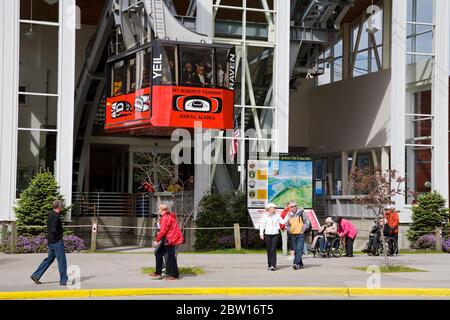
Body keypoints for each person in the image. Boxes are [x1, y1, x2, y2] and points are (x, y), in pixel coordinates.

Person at [30, 200, 70, 286]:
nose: (62, 207)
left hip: (51, 242)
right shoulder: (56, 217)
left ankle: (36, 275)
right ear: (59, 207)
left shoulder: (50, 215)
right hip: (56, 242)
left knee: (49, 259)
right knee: (62, 261)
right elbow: (53, 230)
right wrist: (59, 238)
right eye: (61, 206)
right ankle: (63, 280)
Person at [149, 205, 184, 280]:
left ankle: (174, 275)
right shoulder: (168, 216)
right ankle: (159, 273)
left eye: (159, 209)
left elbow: (163, 231)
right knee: (159, 253)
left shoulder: (165, 217)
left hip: (170, 238)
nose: (158, 210)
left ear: (162, 209)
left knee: (170, 256)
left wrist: (156, 240)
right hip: (169, 237)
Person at [259, 203, 287, 271]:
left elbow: (282, 222)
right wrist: (261, 234)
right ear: (269, 208)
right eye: (273, 207)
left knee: (273, 249)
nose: (274, 208)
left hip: (275, 234)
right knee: (268, 250)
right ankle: (269, 264)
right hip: (267, 234)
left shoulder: (277, 215)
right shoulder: (265, 216)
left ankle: (273, 265)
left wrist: (287, 216)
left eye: (275, 207)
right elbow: (262, 225)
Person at [285, 201, 311, 270]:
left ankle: (295, 263)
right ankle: (300, 263)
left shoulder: (302, 213)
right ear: (290, 208)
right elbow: (286, 225)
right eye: (292, 206)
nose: (293, 208)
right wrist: (289, 230)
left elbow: (307, 222)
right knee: (296, 250)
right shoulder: (289, 215)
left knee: (299, 249)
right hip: (293, 235)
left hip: (300, 234)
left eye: (295, 206)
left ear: (297, 206)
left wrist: (303, 230)